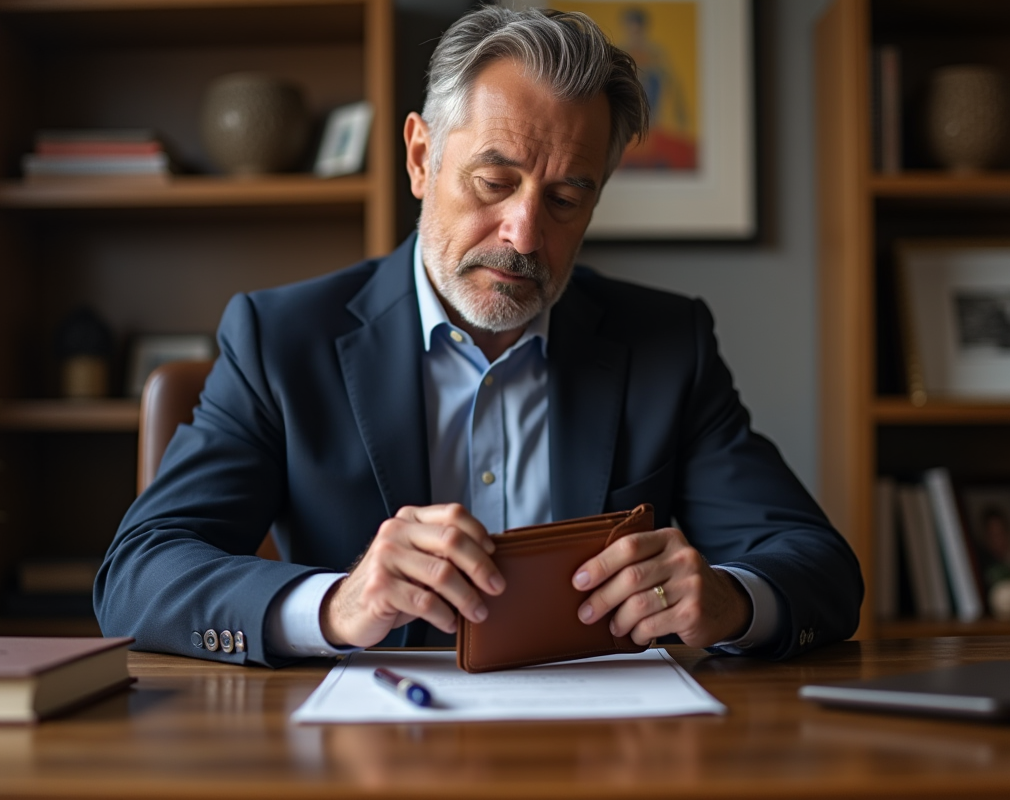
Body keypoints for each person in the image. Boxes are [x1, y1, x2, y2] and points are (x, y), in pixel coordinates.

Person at [94, 6, 862, 666]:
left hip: (607, 748)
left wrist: (729, 600)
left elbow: (820, 568)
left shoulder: (668, 343)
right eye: (494, 183)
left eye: (565, 198)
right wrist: (336, 604)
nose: (524, 233)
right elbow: (138, 576)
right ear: (422, 156)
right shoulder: (280, 339)